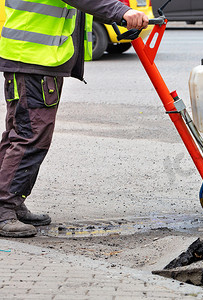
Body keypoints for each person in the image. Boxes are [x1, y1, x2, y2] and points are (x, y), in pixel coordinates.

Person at [0, 0, 149, 237]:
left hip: (31, 58)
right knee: (30, 137)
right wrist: (122, 11)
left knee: (18, 134)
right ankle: (4, 208)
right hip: (33, 59)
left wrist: (117, 14)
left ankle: (11, 203)